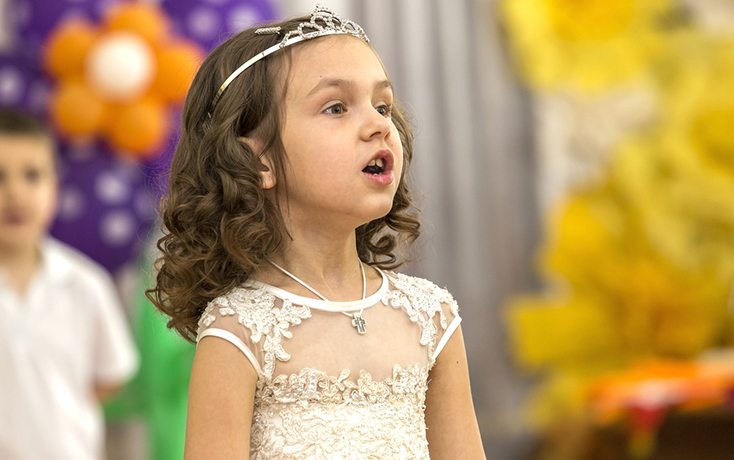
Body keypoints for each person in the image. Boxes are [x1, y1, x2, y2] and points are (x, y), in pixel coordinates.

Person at [149, 4, 487, 459]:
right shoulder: (240, 330)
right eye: (336, 107)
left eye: (383, 106)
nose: (379, 125)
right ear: (258, 161)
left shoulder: (432, 318)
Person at [0, 108, 139, 460]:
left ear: (54, 189)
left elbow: (110, 376)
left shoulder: (86, 284)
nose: (15, 193)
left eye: (32, 175)